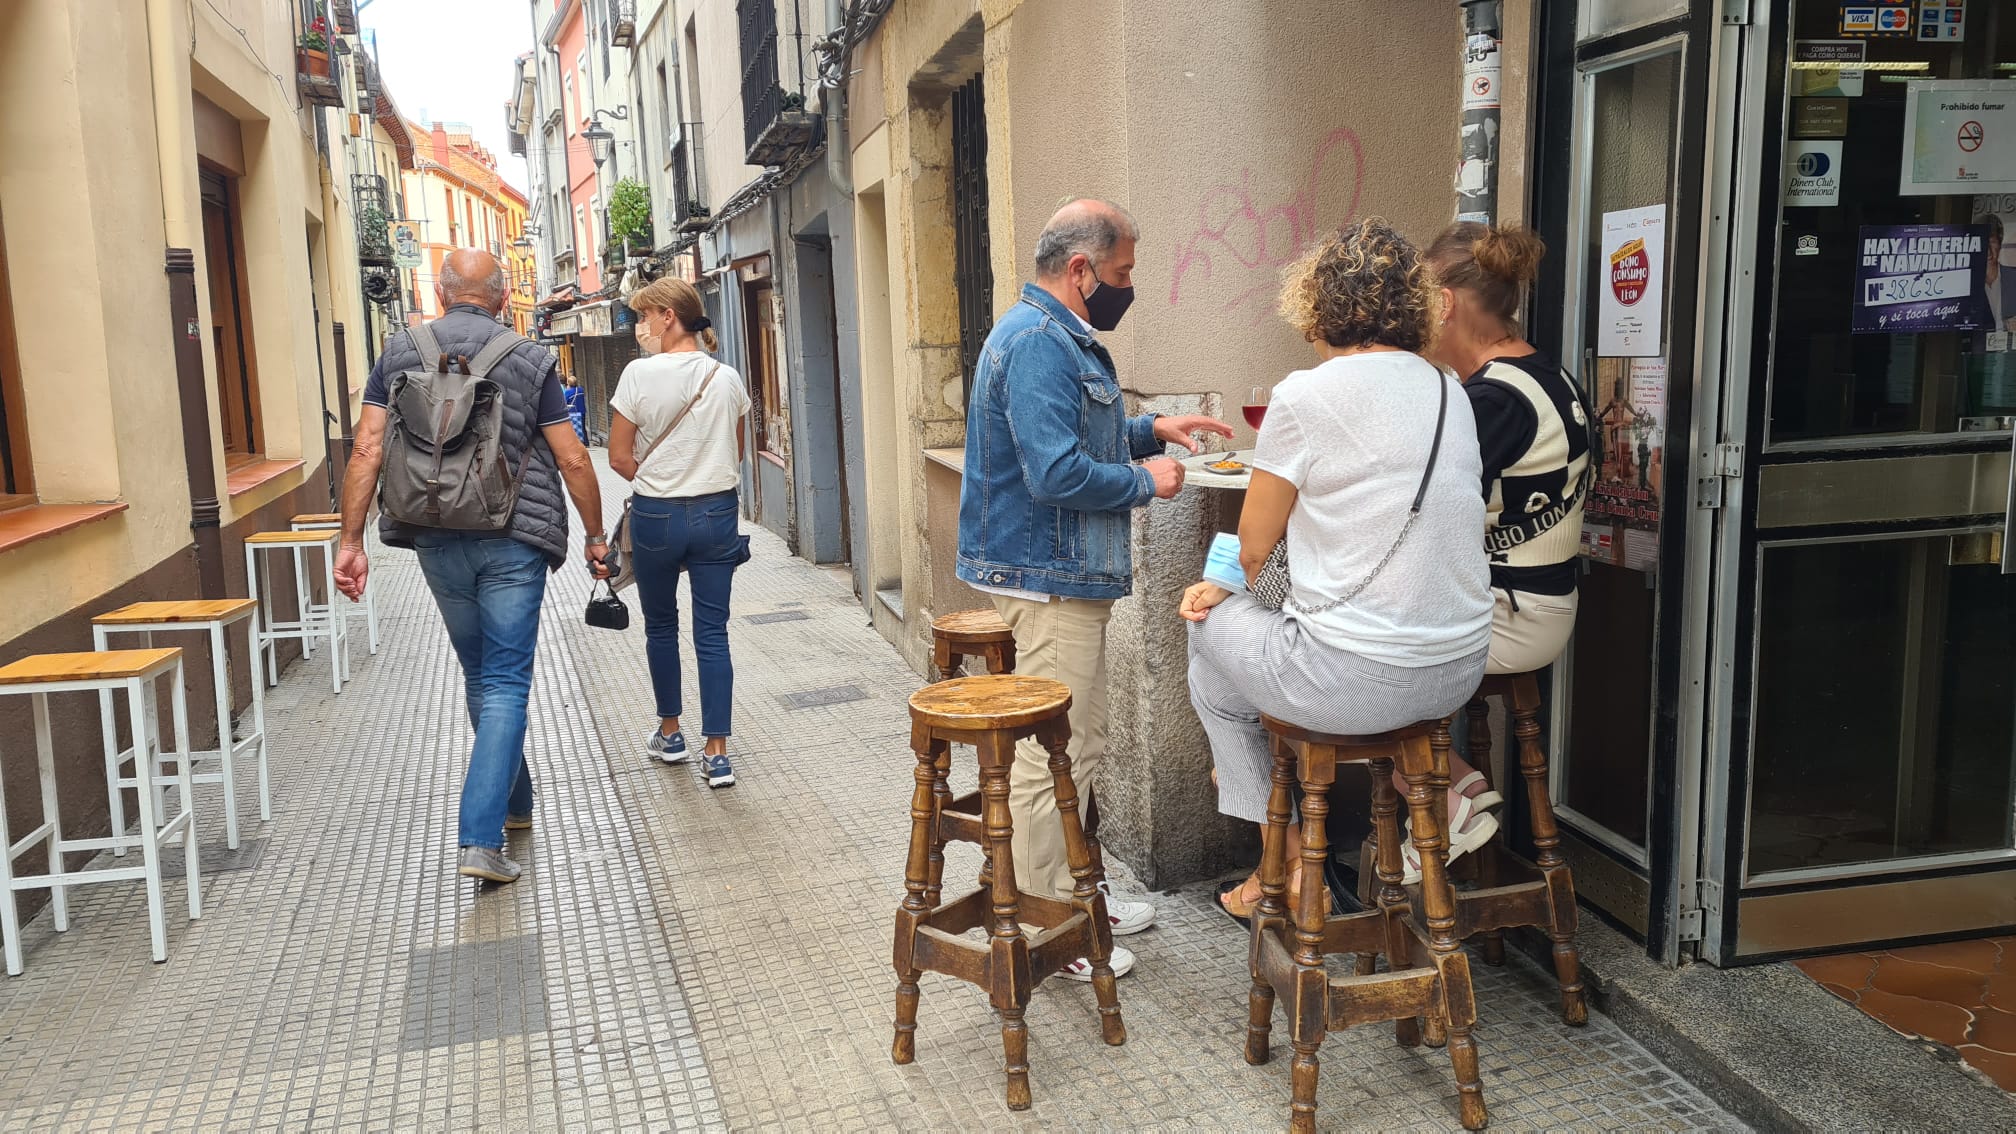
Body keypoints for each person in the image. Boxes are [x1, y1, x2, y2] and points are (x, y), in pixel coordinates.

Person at [1182, 218, 1493, 918]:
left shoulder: (1305, 394)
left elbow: (1256, 549)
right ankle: (1311, 850)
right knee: (1238, 639)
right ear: (1412, 305)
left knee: (1205, 631)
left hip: (1357, 679)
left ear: (1319, 305)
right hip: (1456, 672)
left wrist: (1228, 591)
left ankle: (1286, 860)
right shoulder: (1450, 390)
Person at [957, 198, 1233, 981]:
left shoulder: (1045, 333)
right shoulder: (1043, 341)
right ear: (1079, 270)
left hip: (1050, 573)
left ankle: (1079, 895)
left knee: (1075, 745)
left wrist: (1152, 430)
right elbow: (1055, 472)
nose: (1125, 287)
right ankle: (1054, 923)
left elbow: (1070, 436)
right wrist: (1146, 479)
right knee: (1060, 754)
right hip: (1047, 579)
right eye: (1120, 273)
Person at [335, 249, 610, 885]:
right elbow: (571, 458)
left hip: (434, 534)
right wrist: (596, 535)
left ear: (439, 293)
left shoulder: (399, 352)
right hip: (512, 535)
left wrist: (351, 541)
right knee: (508, 680)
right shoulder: (528, 357)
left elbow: (368, 447)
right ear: (504, 297)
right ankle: (479, 840)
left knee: (480, 673)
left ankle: (515, 804)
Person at [1395, 221, 1594, 881]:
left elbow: (1424, 517)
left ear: (1445, 304)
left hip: (1507, 616)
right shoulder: (1543, 372)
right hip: (1537, 602)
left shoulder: (1494, 399)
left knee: (1349, 663)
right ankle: (1457, 784)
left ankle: (1444, 796)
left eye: (1420, 299)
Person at [608, 278, 750, 790]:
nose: (640, 326)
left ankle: (671, 735)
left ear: (669, 316)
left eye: (644, 316)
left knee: (661, 627)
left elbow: (619, 457)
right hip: (717, 514)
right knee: (713, 631)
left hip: (657, 518)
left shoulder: (637, 375)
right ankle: (718, 754)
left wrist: (657, 478)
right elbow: (734, 454)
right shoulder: (726, 377)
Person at [562, 371, 589, 445]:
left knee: (574, 427)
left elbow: (565, 402)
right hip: (582, 411)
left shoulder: (568, 392)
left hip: (573, 412)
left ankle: (576, 442)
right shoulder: (581, 390)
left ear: (569, 383)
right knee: (583, 427)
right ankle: (586, 442)